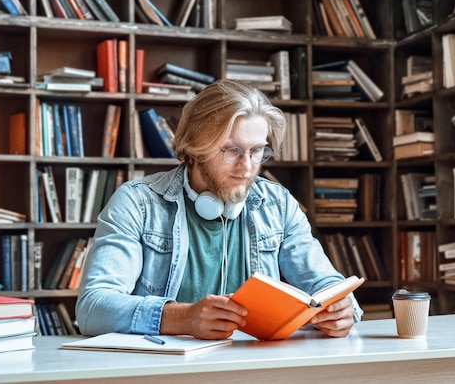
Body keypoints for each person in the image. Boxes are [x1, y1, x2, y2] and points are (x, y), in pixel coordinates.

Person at [76, 79, 363, 340]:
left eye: (257, 151)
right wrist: (184, 318)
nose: (248, 166)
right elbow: (93, 307)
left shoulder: (278, 204)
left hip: (255, 368)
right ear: (196, 147)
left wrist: (342, 308)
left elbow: (326, 283)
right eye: (232, 150)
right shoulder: (137, 204)